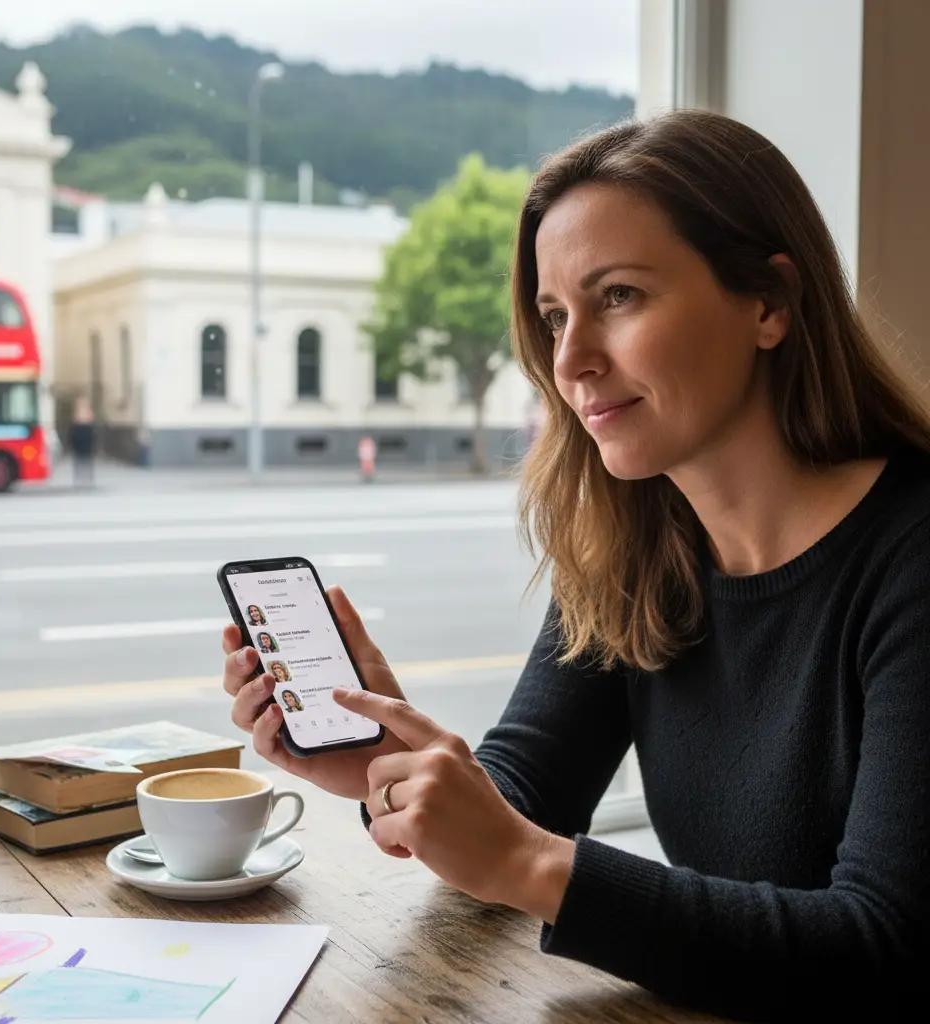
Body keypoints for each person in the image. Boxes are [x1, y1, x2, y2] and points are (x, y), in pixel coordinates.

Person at [220, 110, 930, 1021]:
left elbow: (881, 950)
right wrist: (392, 763)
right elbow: (527, 797)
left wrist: (527, 862)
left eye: (620, 297)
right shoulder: (635, 548)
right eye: (555, 316)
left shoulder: (909, 557)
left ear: (769, 303)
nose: (571, 360)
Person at [69, 395, 96, 488]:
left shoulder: (89, 414)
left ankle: (87, 476)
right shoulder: (76, 415)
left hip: (86, 437)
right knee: (79, 459)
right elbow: (73, 432)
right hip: (80, 436)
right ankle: (80, 475)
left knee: (87, 458)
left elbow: (92, 431)